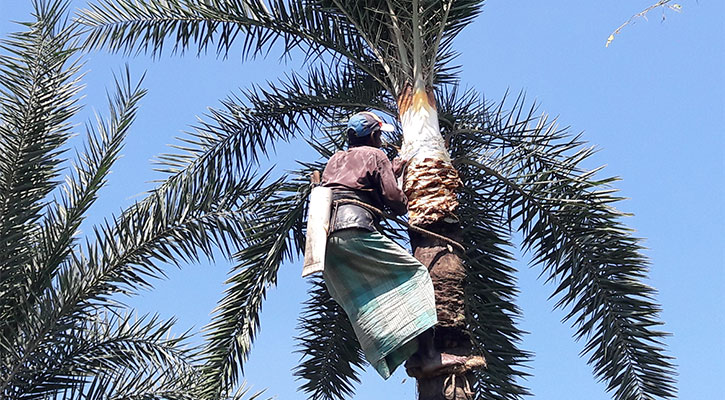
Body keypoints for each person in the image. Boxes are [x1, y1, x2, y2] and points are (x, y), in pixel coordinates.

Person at [321, 111, 437, 379]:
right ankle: (430, 355)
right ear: (374, 135)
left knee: (371, 296)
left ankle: (411, 357)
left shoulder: (334, 159)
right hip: (355, 229)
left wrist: (388, 172)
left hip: (327, 241)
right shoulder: (376, 155)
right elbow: (395, 202)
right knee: (416, 276)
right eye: (380, 134)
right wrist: (404, 186)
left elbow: (350, 182)